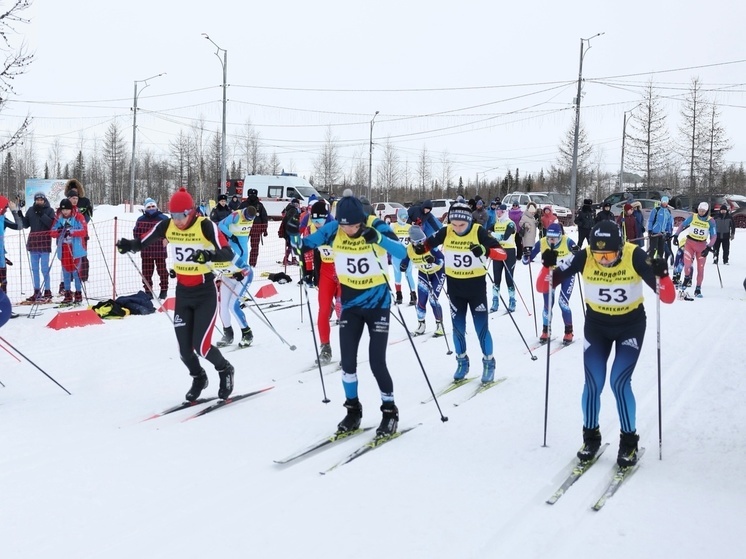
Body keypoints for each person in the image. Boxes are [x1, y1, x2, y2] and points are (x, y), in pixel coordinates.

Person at [538, 220, 675, 467]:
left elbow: (667, 297)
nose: (603, 260)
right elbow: (543, 286)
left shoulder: (635, 256)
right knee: (593, 383)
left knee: (618, 382)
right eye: (599, 255)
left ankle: (629, 441)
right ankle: (590, 437)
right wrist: (547, 266)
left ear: (620, 248)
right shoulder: (584, 256)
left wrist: (663, 275)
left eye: (610, 254)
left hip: (630, 326)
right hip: (596, 327)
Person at [291, 190, 407, 438]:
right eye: (346, 226)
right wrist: (296, 237)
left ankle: (389, 411)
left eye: (355, 226)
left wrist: (377, 238)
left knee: (377, 362)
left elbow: (402, 253)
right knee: (348, 362)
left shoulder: (374, 225)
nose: (350, 230)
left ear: (361, 220)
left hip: (377, 304)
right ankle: (353, 409)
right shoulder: (334, 229)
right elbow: (308, 242)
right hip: (351, 304)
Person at [116, 187, 237, 401]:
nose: (178, 220)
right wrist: (129, 245)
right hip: (183, 294)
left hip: (204, 293)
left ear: (191, 212)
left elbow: (227, 254)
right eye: (173, 215)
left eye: (182, 215)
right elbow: (143, 242)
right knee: (184, 350)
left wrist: (208, 255)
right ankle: (199, 377)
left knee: (202, 346)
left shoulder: (205, 225)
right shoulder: (167, 225)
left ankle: (225, 369)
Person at [415, 202, 506, 383]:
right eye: (454, 224)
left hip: (476, 288)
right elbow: (427, 244)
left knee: (481, 328)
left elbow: (502, 253)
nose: (457, 228)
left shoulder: (478, 231)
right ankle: (462, 362)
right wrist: (420, 247)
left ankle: (489, 363)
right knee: (457, 329)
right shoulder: (446, 230)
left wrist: (485, 250)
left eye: (461, 225)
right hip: (455, 288)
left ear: (469, 222)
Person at [298, 200, 341, 364]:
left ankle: (348, 348)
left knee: (341, 309)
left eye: (320, 219)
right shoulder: (311, 229)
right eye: (314, 219)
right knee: (323, 310)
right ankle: (325, 348)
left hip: (344, 274)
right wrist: (307, 272)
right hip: (326, 272)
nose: (317, 222)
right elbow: (306, 250)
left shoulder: (337, 228)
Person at [523, 222, 577, 344]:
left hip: (566, 274)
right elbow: (527, 259)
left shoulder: (567, 241)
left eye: (555, 238)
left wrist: (576, 252)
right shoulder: (542, 242)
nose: (552, 240)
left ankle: (568, 331)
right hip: (551, 275)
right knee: (548, 304)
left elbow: (579, 256)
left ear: (560, 236)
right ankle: (546, 330)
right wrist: (526, 255)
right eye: (549, 237)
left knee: (563, 303)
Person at [216, 205, 255, 349]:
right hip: (228, 275)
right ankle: (228, 333)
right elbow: (221, 225)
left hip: (243, 275)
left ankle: (247, 333)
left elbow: (245, 267)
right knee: (222, 306)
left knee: (233, 305)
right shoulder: (236, 215)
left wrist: (240, 272)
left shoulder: (230, 251)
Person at [400, 225, 445, 336]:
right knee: (421, 300)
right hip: (423, 274)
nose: (422, 244)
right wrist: (403, 265)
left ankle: (440, 325)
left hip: (437, 273)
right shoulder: (409, 250)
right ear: (412, 241)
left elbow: (443, 261)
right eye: (418, 242)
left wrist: (434, 260)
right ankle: (421, 325)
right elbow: (404, 261)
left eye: (423, 240)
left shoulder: (431, 246)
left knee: (433, 298)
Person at [17, 192, 55, 303]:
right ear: (35, 200)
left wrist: (41, 214)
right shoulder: (30, 210)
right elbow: (26, 225)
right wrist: (21, 216)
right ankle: (36, 291)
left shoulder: (50, 210)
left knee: (44, 268)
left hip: (44, 243)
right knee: (34, 269)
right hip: (33, 243)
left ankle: (47, 291)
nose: (39, 201)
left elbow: (51, 225)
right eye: (37, 200)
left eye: (41, 200)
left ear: (44, 200)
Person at [673, 201, 716, 298]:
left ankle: (698, 288)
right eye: (700, 210)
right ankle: (687, 278)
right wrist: (676, 236)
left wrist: (709, 247)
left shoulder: (710, 221)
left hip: (702, 246)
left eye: (703, 211)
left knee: (700, 269)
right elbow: (682, 225)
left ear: (707, 211)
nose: (701, 212)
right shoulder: (693, 217)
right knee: (687, 265)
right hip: (690, 244)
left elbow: (714, 235)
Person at [50, 198, 88, 305]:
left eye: (67, 209)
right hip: (64, 248)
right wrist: (59, 231)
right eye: (63, 210)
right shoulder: (59, 218)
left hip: (76, 248)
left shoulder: (78, 217)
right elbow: (52, 232)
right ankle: (67, 293)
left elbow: (83, 231)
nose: (65, 212)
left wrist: (71, 231)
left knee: (76, 272)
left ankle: (78, 293)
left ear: (71, 209)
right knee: (66, 272)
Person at [133, 198, 170, 299]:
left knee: (162, 271)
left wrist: (167, 239)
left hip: (160, 250)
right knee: (147, 273)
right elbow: (136, 233)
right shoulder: (141, 220)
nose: (151, 208)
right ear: (145, 208)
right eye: (149, 207)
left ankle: (164, 290)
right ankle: (148, 291)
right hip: (146, 251)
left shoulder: (163, 218)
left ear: (156, 207)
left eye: (153, 206)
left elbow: (171, 231)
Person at [490, 204, 517, 313]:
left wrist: (492, 234)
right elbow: (486, 233)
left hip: (509, 251)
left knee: (508, 278)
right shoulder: (496, 223)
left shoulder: (510, 223)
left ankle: (512, 300)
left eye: (501, 211)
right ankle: (495, 301)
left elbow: (505, 237)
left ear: (505, 212)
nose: (498, 213)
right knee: (496, 278)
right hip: (498, 251)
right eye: (497, 211)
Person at [391, 208, 416, 305]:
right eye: (402, 216)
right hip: (396, 255)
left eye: (406, 217)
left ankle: (413, 295)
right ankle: (399, 295)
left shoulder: (409, 227)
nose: (404, 219)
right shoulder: (393, 226)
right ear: (398, 216)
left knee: (409, 274)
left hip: (407, 255)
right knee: (397, 275)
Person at [239, 188, 269, 268]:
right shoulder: (243, 204)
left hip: (256, 228)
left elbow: (264, 217)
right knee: (242, 246)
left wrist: (264, 229)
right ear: (248, 195)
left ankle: (252, 263)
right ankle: (241, 262)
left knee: (255, 246)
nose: (253, 196)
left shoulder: (260, 205)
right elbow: (238, 216)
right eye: (251, 194)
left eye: (254, 194)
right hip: (244, 228)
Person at [0, 196, 21, 300]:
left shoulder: (3, 219)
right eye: (5, 207)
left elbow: (19, 226)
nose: (6, 209)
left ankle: (3, 306)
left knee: (3, 282)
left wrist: (15, 212)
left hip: (1, 257)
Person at [278, 198, 301, 265]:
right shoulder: (293, 210)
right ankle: (286, 259)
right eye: (297, 204)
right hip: (290, 230)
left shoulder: (289, 209)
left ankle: (293, 259)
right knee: (291, 245)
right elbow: (291, 220)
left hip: (287, 229)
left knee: (292, 245)